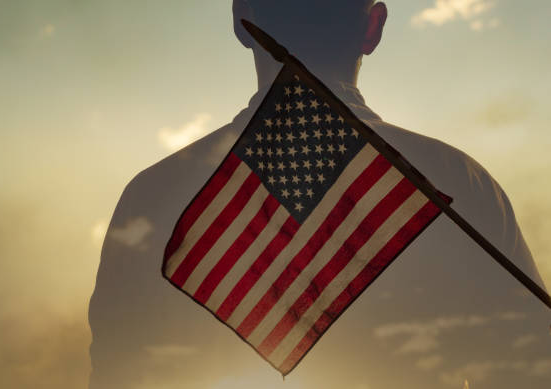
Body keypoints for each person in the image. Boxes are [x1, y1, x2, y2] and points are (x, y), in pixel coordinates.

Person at [89, 2, 550, 388]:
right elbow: (528, 372)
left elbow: (118, 372)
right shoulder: (461, 183)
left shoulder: (152, 197)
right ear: (374, 27)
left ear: (240, 18)